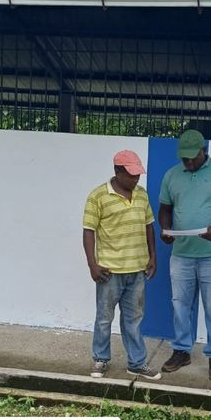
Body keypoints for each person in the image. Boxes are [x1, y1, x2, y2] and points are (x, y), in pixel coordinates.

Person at [159, 129, 211, 382]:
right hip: (181, 254)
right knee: (180, 305)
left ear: (203, 151)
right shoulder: (172, 175)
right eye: (184, 158)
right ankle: (182, 351)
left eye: (192, 157)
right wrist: (165, 229)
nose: (189, 162)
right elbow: (165, 209)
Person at [83, 150, 161, 380]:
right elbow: (89, 231)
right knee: (104, 318)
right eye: (131, 174)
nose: (136, 179)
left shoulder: (142, 195)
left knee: (133, 320)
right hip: (110, 270)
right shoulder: (98, 196)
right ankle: (100, 359)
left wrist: (153, 256)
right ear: (117, 171)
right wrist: (92, 265)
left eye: (138, 175)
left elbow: (149, 226)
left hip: (137, 269)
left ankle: (136, 363)